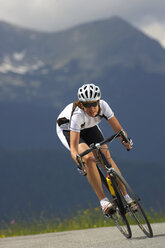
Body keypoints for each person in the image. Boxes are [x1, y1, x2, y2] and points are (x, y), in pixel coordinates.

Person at [56, 83, 135, 215]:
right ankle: (103, 201)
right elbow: (74, 149)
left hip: (89, 126)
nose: (92, 108)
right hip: (68, 129)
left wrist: (125, 141)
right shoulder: (76, 115)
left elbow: (118, 130)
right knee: (89, 159)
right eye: (87, 105)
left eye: (94, 104)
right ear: (81, 105)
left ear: (98, 102)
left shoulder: (104, 106)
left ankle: (127, 197)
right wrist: (79, 163)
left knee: (106, 158)